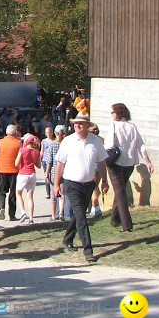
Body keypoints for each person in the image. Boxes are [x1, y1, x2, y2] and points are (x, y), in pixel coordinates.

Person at [52, 111, 109, 263]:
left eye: (80, 123)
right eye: (75, 123)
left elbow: (102, 162)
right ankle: (88, 250)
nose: (77, 125)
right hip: (71, 183)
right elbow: (60, 164)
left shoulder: (95, 141)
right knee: (81, 216)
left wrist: (104, 180)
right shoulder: (68, 141)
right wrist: (56, 184)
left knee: (79, 213)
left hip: (89, 183)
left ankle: (67, 240)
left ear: (87, 126)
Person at [104, 103, 155, 233]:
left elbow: (109, 144)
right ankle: (115, 219)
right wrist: (148, 161)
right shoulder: (132, 127)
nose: (111, 114)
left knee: (120, 192)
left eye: (112, 112)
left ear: (118, 113)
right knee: (120, 190)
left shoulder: (114, 126)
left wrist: (103, 158)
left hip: (115, 162)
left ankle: (126, 224)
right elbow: (141, 145)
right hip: (130, 163)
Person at [0, 124, 21, 221]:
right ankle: (12, 215)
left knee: (1, 191)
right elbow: (20, 157)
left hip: (2, 169)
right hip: (14, 171)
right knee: (13, 193)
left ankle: (1, 207)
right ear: (15, 132)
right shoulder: (19, 143)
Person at [15, 133, 41, 224]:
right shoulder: (36, 151)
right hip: (32, 174)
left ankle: (22, 212)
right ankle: (31, 218)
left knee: (18, 193)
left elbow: (16, 163)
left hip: (23, 173)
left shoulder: (22, 150)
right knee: (30, 197)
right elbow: (39, 166)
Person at [40, 127, 56, 200]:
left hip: (53, 160)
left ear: (52, 133)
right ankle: (48, 192)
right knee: (46, 176)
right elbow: (42, 151)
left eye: (50, 132)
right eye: (47, 132)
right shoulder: (43, 141)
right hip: (45, 160)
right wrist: (39, 159)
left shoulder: (55, 141)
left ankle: (54, 190)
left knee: (53, 175)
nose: (48, 134)